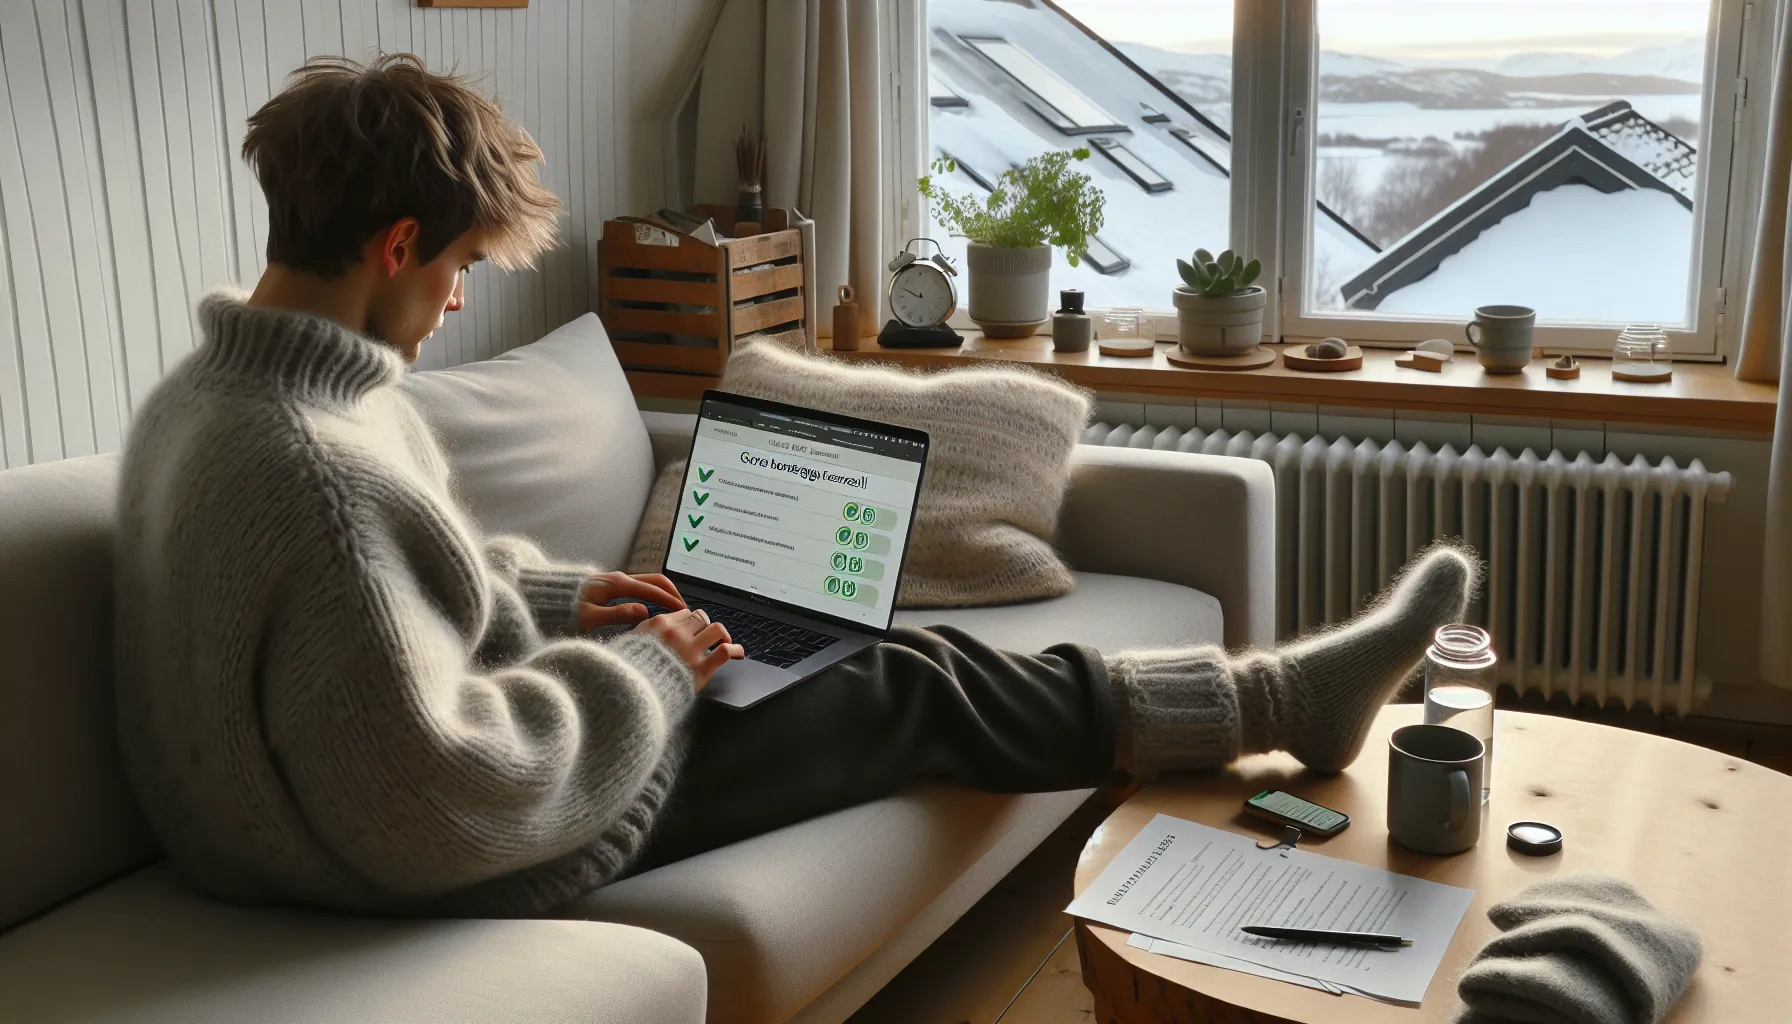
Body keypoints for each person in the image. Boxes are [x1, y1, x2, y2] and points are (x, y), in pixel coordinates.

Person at [114, 54, 1476, 918]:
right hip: (412, 860)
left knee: (856, 657)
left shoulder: (221, 402)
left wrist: (568, 597)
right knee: (909, 679)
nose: (459, 300)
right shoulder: (317, 462)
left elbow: (387, 610)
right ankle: (1274, 704)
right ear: (395, 241)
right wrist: (650, 675)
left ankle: (1264, 699)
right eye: (459, 265)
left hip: (306, 830)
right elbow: (435, 800)